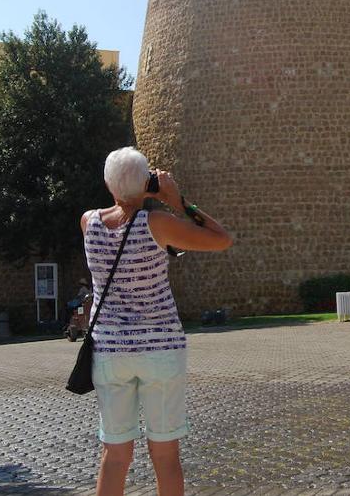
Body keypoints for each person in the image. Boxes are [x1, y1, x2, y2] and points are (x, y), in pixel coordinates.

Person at [81, 146, 232, 496]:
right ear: (147, 183)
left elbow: (118, 208)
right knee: (165, 455)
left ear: (108, 184)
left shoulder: (89, 222)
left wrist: (135, 192)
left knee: (115, 454)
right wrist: (178, 202)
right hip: (160, 350)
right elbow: (221, 239)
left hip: (109, 351)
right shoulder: (158, 224)